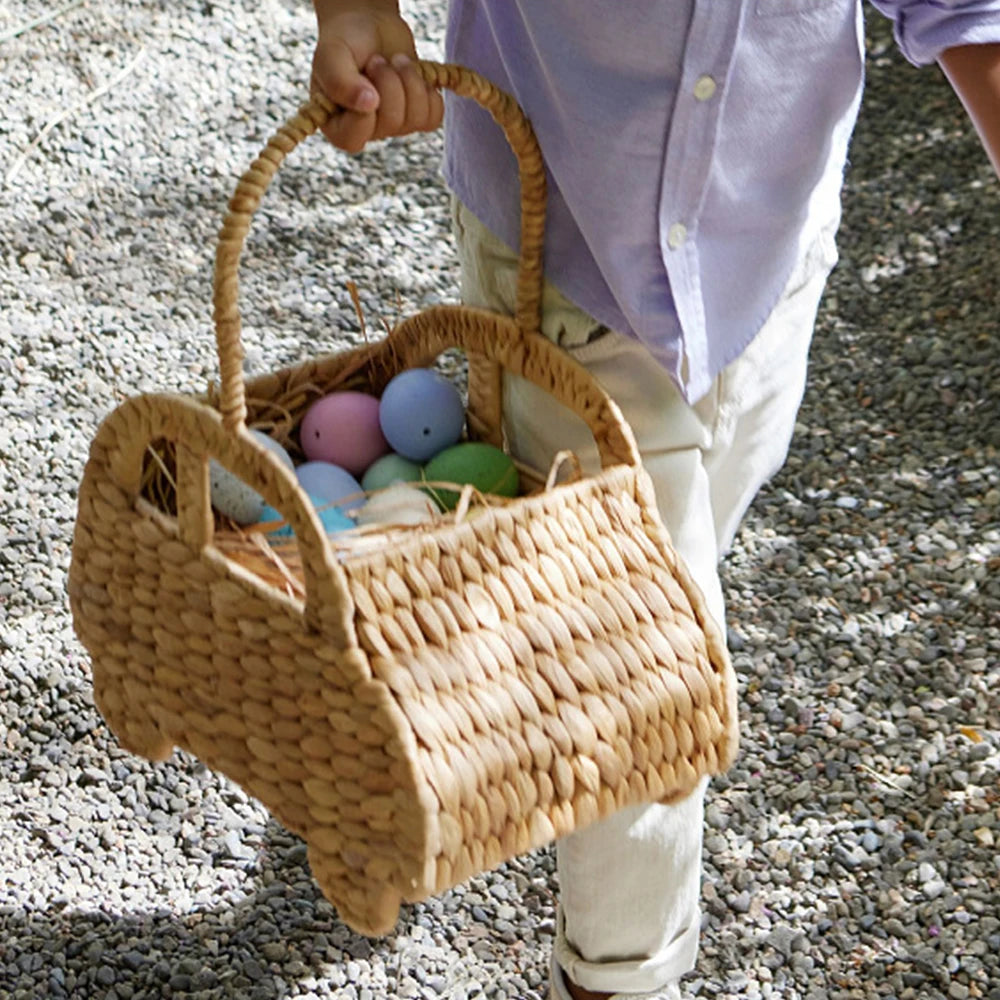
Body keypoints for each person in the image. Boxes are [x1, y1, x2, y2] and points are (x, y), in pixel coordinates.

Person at [309, 3, 1000, 998]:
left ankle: (493, 702)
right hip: (566, 264)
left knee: (657, 585)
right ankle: (615, 976)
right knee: (641, 683)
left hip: (765, 260)